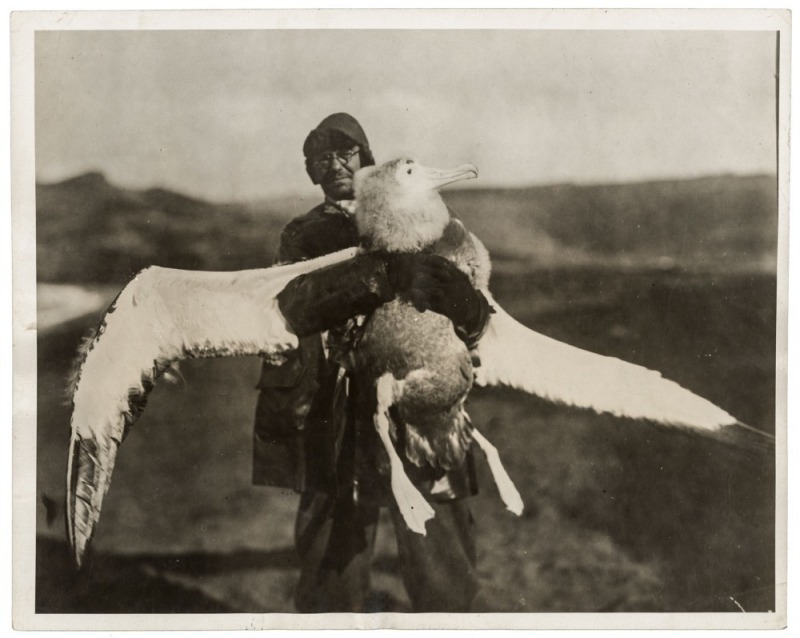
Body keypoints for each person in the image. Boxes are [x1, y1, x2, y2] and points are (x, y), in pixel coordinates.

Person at [253, 113, 492, 612]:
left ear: (366, 161)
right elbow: (293, 307)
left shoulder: (428, 219)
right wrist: (376, 280)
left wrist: (469, 311)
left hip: (419, 400)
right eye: (321, 159)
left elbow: (471, 304)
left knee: (442, 555)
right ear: (311, 173)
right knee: (332, 561)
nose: (335, 164)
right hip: (337, 405)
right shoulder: (303, 235)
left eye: (346, 153)